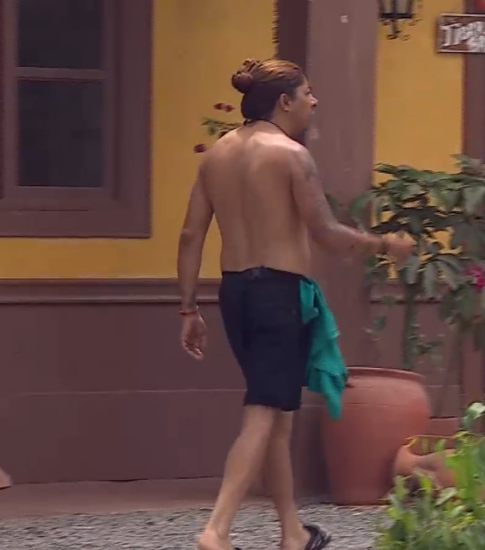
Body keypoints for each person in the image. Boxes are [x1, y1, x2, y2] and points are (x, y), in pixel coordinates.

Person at [177, 58, 414, 550]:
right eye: (308, 93)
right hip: (278, 294)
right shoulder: (291, 155)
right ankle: (216, 530)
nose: (314, 101)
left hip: (235, 292)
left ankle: (292, 532)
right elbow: (324, 232)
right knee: (263, 411)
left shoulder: (216, 155)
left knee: (278, 415)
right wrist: (384, 245)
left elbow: (190, 236)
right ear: (284, 101)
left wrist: (188, 308)